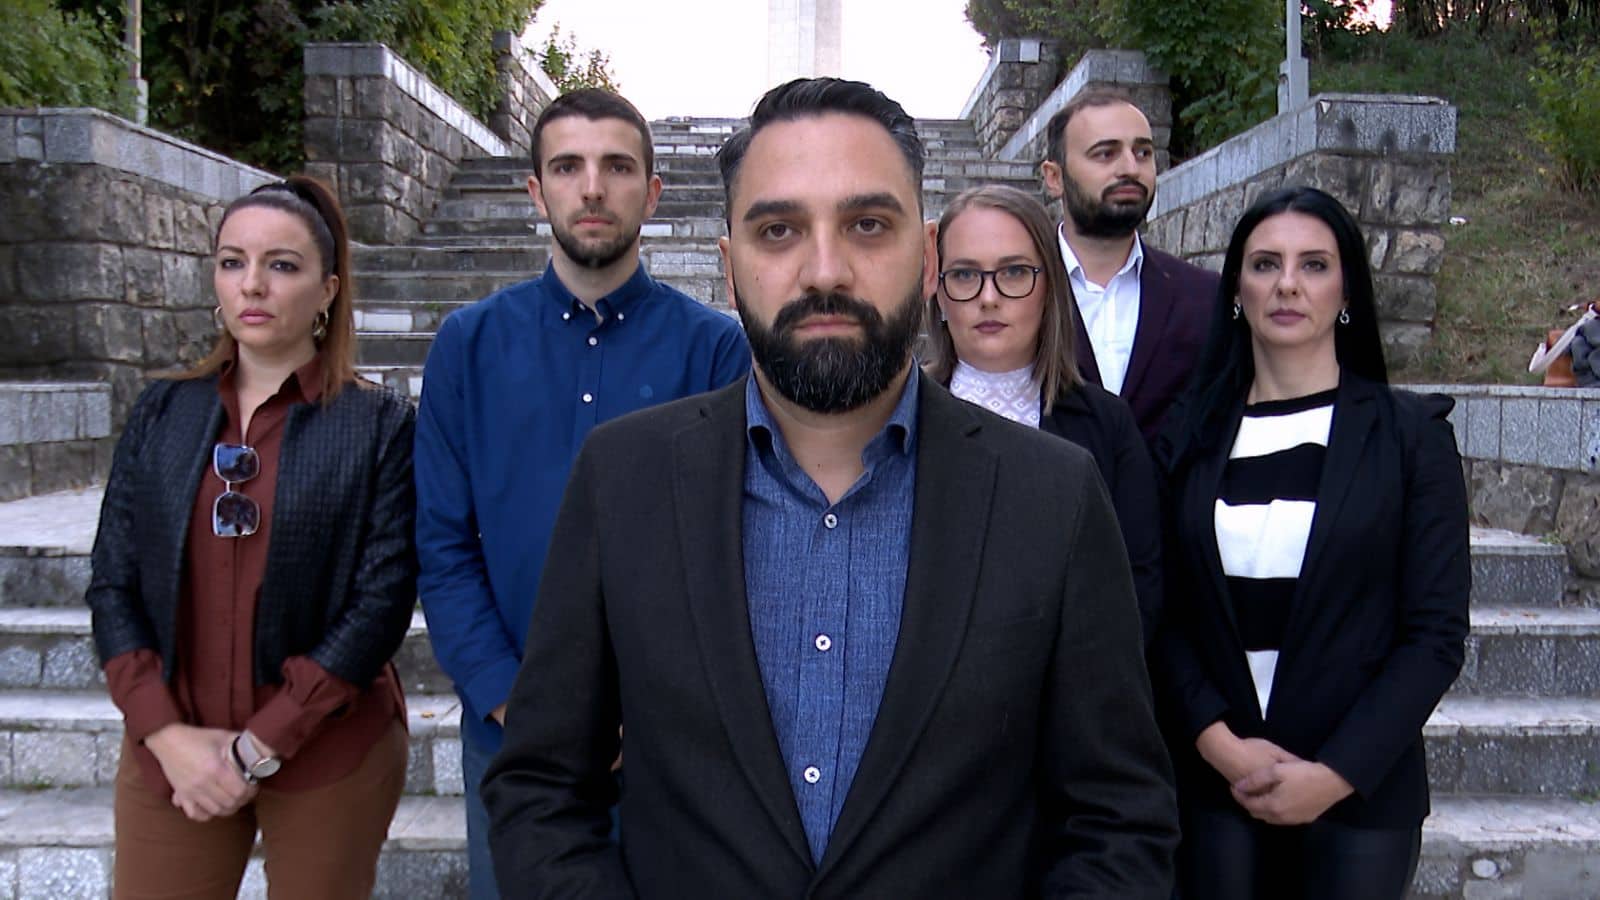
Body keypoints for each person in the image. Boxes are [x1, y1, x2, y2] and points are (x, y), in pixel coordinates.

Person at [483, 76, 1178, 898]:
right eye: (778, 230)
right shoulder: (622, 480)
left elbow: (1118, 820)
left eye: (867, 225)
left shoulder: (1053, 497)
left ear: (927, 259)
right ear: (729, 268)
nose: (825, 271)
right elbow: (541, 791)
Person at [413, 88, 750, 899]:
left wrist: (653, 710)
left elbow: (731, 551)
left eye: (617, 167)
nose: (592, 188)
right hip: (512, 736)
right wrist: (515, 701)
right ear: (536, 192)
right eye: (567, 167)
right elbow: (443, 547)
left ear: (652, 192)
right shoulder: (467, 346)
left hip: (672, 746)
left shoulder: (716, 351)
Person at [86, 175, 417, 899]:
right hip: (174, 747)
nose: (252, 284)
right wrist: (163, 733)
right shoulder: (162, 411)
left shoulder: (379, 425)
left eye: (282, 265)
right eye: (233, 262)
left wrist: (259, 745)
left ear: (328, 291)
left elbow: (380, 604)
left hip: (326, 744)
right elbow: (112, 581)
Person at [1153, 185, 1469, 898]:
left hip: (1360, 797)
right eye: (1265, 264)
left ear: (1346, 290)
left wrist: (1333, 775)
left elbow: (1435, 634)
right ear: (1237, 290)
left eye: (1314, 265)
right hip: (1215, 788)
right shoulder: (1185, 440)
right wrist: (1221, 747)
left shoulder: (1412, 438)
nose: (1288, 284)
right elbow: (1164, 614)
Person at [923, 184, 1161, 646]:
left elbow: (1138, 588)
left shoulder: (1106, 424)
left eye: (1014, 272)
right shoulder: (899, 419)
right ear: (939, 292)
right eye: (965, 274)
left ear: (1049, 286)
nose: (989, 297)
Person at [1040, 89, 1219, 444]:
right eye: (1105, 154)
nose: (1130, 168)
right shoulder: (1019, 293)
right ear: (1054, 177)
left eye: (1143, 153)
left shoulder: (1204, 297)